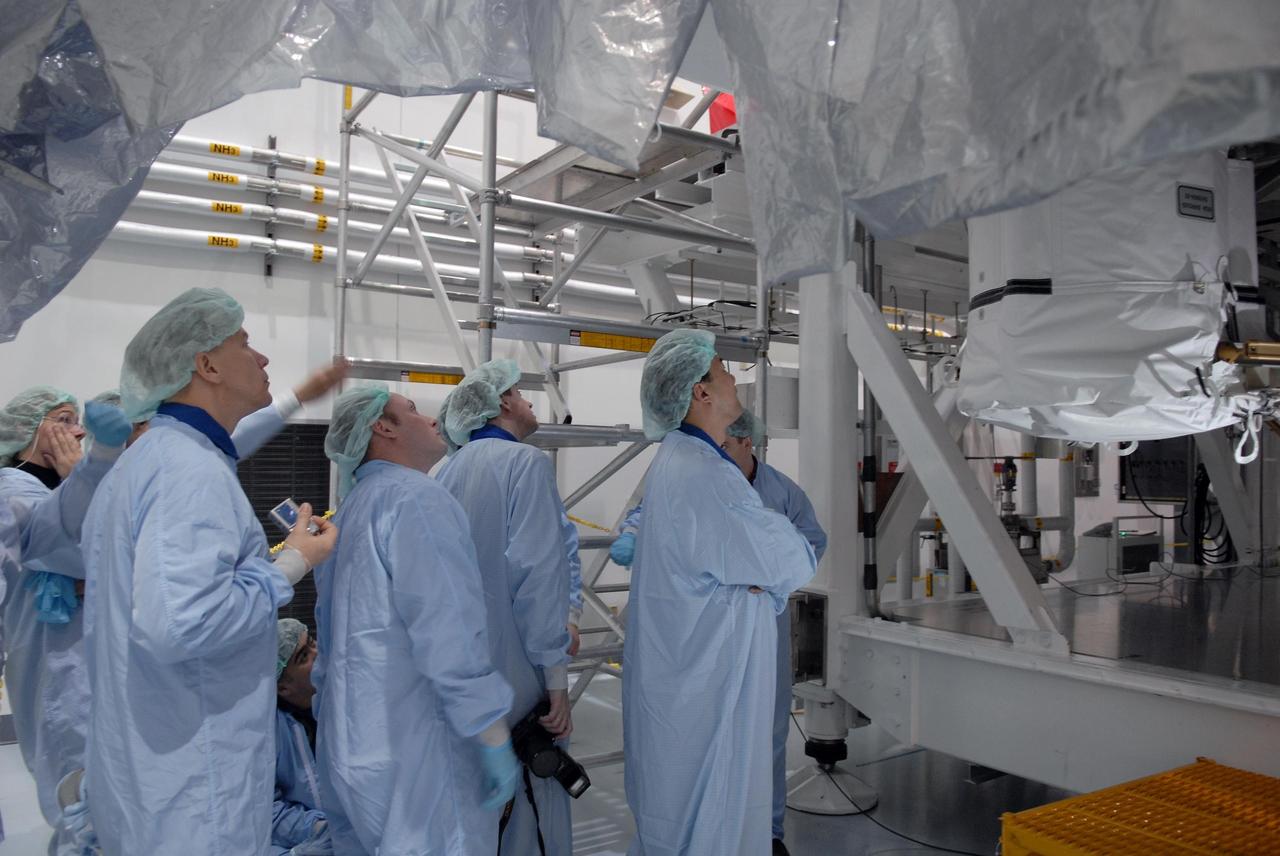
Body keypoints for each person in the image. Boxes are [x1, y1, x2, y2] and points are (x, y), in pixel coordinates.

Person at [80, 287, 337, 855]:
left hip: (158, 768)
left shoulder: (154, 462)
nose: (263, 358)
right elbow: (182, 625)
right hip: (195, 790)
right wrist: (295, 562)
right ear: (207, 365)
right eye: (246, 343)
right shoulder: (185, 470)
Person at [623, 329, 816, 856]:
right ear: (700, 392)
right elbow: (791, 558)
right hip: (708, 683)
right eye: (724, 370)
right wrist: (766, 566)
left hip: (691, 674)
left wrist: (762, 565)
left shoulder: (680, 461)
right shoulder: (707, 474)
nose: (735, 379)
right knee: (712, 819)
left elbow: (771, 556)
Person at [313, 385, 518, 854]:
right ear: (382, 428)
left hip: (354, 750)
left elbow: (332, 649)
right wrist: (489, 730)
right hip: (417, 755)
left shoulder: (351, 512)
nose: (431, 419)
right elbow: (450, 630)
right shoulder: (416, 499)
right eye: (412, 410)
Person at [436, 360, 574, 856]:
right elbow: (536, 579)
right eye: (520, 391)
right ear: (499, 405)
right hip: (517, 673)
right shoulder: (526, 465)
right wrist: (556, 678)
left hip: (461, 677)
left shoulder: (441, 471)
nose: (530, 400)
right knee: (531, 811)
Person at [0, 388, 129, 830]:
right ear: (23, 434)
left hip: (81, 662)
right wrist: (86, 471)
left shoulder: (50, 488)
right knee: (79, 800)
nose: (77, 430)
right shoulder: (13, 489)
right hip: (57, 667)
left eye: (78, 420)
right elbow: (76, 552)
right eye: (62, 419)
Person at [272, 618, 330, 856]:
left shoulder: (340, 702)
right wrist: (321, 827)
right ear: (283, 687)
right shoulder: (269, 733)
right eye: (304, 657)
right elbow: (268, 812)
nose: (318, 653)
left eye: (313, 642)